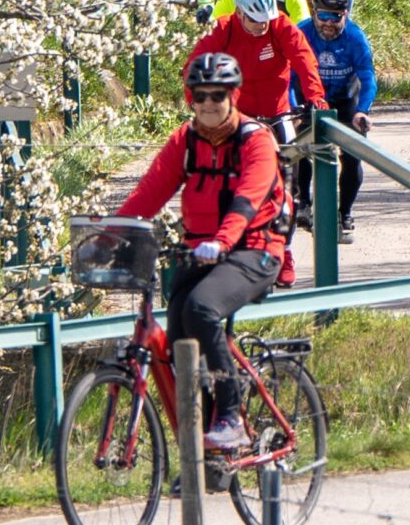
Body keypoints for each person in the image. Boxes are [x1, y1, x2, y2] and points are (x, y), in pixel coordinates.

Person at [114, 51, 292, 453]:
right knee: (178, 334)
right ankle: (208, 455)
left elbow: (249, 198)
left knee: (201, 308)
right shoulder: (187, 139)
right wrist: (111, 232)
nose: (209, 104)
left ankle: (231, 419)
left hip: (255, 250)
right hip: (202, 251)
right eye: (200, 96)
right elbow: (151, 190)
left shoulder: (256, 141)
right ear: (190, 98)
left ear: (234, 96)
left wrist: (224, 240)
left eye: (218, 95)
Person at [187, 0, 327, 145]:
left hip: (277, 111)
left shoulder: (281, 25)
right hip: (236, 113)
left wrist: (315, 97)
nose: (262, 25)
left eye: (266, 18)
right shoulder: (222, 29)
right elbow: (194, 67)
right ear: (239, 13)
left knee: (292, 157)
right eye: (254, 19)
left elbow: (305, 61)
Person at [295, 0, 375, 244]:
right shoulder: (302, 32)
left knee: (353, 155)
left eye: (335, 16)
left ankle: (345, 213)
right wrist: (294, 108)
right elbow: (289, 76)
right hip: (309, 100)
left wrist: (362, 111)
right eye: (323, 15)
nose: (328, 23)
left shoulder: (355, 38)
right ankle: (303, 201)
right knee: (298, 147)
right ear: (314, 12)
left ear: (346, 14)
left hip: (344, 100)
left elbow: (368, 79)